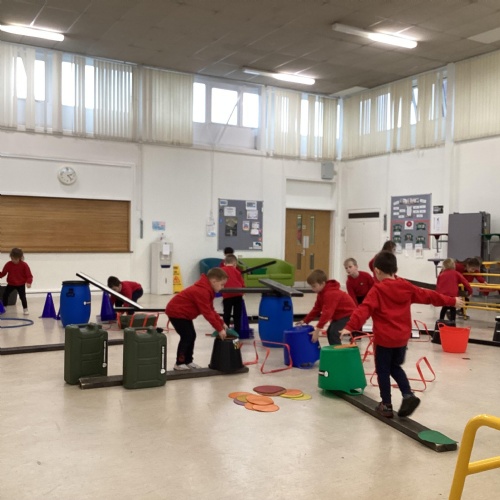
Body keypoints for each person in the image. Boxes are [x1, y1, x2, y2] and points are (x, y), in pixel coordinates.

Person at [340, 251, 464, 419]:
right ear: (395, 269)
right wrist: (452, 300)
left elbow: (364, 309)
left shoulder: (377, 290)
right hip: (402, 339)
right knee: (395, 367)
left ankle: (386, 405)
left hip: (384, 340)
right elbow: (429, 295)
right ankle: (408, 395)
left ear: (377, 271)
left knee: (383, 371)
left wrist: (350, 326)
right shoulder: (406, 286)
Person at [166, 267, 228, 371]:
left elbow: (211, 309)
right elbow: (207, 313)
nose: (223, 287)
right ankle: (179, 363)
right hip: (176, 313)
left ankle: (188, 361)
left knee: (191, 336)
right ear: (214, 281)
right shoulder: (202, 291)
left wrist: (221, 323)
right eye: (222, 284)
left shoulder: (207, 290)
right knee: (187, 337)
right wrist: (219, 329)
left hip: (184, 314)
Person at [296, 269, 357, 345]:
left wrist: (317, 330)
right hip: (340, 316)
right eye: (311, 286)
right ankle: (334, 350)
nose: (312, 289)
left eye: (314, 286)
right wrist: (305, 320)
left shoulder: (330, 294)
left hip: (349, 315)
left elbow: (327, 313)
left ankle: (338, 352)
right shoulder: (321, 293)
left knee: (334, 333)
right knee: (330, 332)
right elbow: (316, 309)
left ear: (322, 283)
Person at [0, 247, 33, 315]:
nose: (13, 260)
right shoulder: (8, 264)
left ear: (20, 258)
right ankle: (4, 307)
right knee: (5, 294)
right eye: (12, 258)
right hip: (11, 284)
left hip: (21, 284)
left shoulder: (24, 265)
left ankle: (25, 309)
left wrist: (29, 282)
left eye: (15, 259)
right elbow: (3, 273)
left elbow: (29, 275)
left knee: (22, 297)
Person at [221, 254, 245, 335]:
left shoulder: (221, 271)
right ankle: (237, 333)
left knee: (226, 314)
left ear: (224, 263)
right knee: (237, 315)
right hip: (238, 295)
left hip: (227, 296)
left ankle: (225, 331)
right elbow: (242, 284)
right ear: (235, 264)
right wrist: (243, 292)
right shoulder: (237, 272)